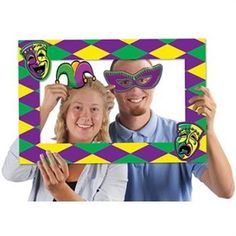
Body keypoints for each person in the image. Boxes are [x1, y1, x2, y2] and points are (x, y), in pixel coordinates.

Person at [107, 59, 234, 201]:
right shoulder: (98, 140)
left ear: (154, 84)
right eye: (124, 82)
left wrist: (208, 131)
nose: (135, 90)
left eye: (144, 79)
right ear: (112, 90)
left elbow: (225, 190)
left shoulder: (183, 134)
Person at [2, 77, 127, 201]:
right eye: (77, 107)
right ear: (64, 113)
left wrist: (60, 190)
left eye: (94, 109)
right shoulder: (45, 155)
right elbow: (11, 172)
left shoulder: (115, 162)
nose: (86, 116)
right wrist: (44, 109)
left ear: (103, 117)